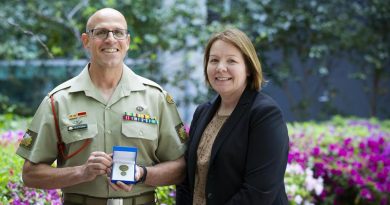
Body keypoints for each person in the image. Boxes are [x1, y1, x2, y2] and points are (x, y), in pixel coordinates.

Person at [16, 8, 187, 205]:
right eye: (101, 32)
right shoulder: (58, 101)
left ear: (128, 41)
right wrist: (81, 172)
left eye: (118, 32)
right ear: (86, 40)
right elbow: (30, 174)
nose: (111, 39)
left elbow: (181, 168)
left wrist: (141, 174)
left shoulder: (155, 98)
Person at [176, 28, 289, 205]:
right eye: (214, 60)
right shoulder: (202, 112)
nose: (220, 67)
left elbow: (259, 191)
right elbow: (187, 180)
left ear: (249, 68)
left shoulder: (264, 114)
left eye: (231, 61)